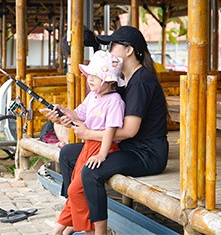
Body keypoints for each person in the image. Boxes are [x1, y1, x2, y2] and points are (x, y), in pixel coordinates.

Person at [44, 25, 169, 235]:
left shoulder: (141, 81)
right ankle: (76, 214)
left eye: (112, 46)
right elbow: (92, 113)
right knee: (67, 154)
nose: (108, 50)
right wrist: (65, 114)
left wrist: (88, 134)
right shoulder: (121, 80)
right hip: (125, 147)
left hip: (146, 154)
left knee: (91, 173)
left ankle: (97, 231)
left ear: (128, 50)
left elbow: (129, 130)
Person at [41, 50, 125, 235]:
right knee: (74, 188)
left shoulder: (115, 101)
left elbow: (111, 130)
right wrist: (62, 110)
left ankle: (88, 230)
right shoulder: (92, 97)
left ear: (109, 80)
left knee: (77, 189)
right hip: (88, 146)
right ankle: (70, 228)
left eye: (96, 76)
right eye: (90, 76)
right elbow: (79, 114)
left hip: (102, 146)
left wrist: (102, 154)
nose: (90, 80)